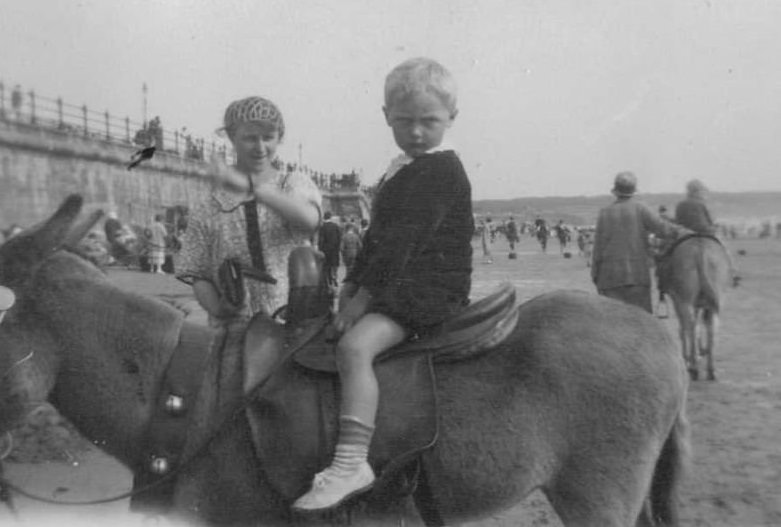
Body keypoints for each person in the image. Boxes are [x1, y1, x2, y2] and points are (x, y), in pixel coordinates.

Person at [293, 57, 474, 511]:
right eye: (404, 121)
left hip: (428, 289)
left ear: (451, 118)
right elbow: (375, 240)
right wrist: (350, 285)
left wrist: (362, 303)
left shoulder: (439, 170)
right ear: (386, 117)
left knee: (355, 348)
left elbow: (403, 245)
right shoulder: (403, 169)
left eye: (428, 122)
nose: (416, 132)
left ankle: (351, 463)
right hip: (399, 282)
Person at [175, 96, 321, 327]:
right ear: (232, 137)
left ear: (279, 138)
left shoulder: (291, 183)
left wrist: (251, 188)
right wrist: (218, 308)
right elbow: (198, 271)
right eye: (250, 138)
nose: (261, 147)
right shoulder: (209, 202)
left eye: (268, 138)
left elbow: (309, 220)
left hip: (294, 323)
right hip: (234, 326)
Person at [591, 171, 689, 313]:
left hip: (608, 278)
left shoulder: (605, 213)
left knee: (613, 325)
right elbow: (664, 229)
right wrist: (685, 232)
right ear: (633, 191)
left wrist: (595, 274)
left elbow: (598, 247)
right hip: (635, 276)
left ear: (616, 191)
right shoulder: (640, 208)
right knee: (640, 323)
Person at [673, 179, 740, 286]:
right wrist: (714, 228)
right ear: (697, 192)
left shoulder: (680, 205)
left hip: (684, 235)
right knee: (724, 249)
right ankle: (733, 273)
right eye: (702, 191)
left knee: (668, 252)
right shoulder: (702, 204)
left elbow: (677, 222)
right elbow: (708, 222)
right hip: (704, 233)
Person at [318, 211, 342, 290]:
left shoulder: (322, 227)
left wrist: (320, 249)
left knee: (327, 267)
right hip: (334, 250)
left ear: (324, 217)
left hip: (326, 251)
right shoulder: (336, 226)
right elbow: (339, 238)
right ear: (330, 217)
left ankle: (329, 282)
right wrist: (338, 248)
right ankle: (334, 277)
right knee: (334, 265)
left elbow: (321, 240)